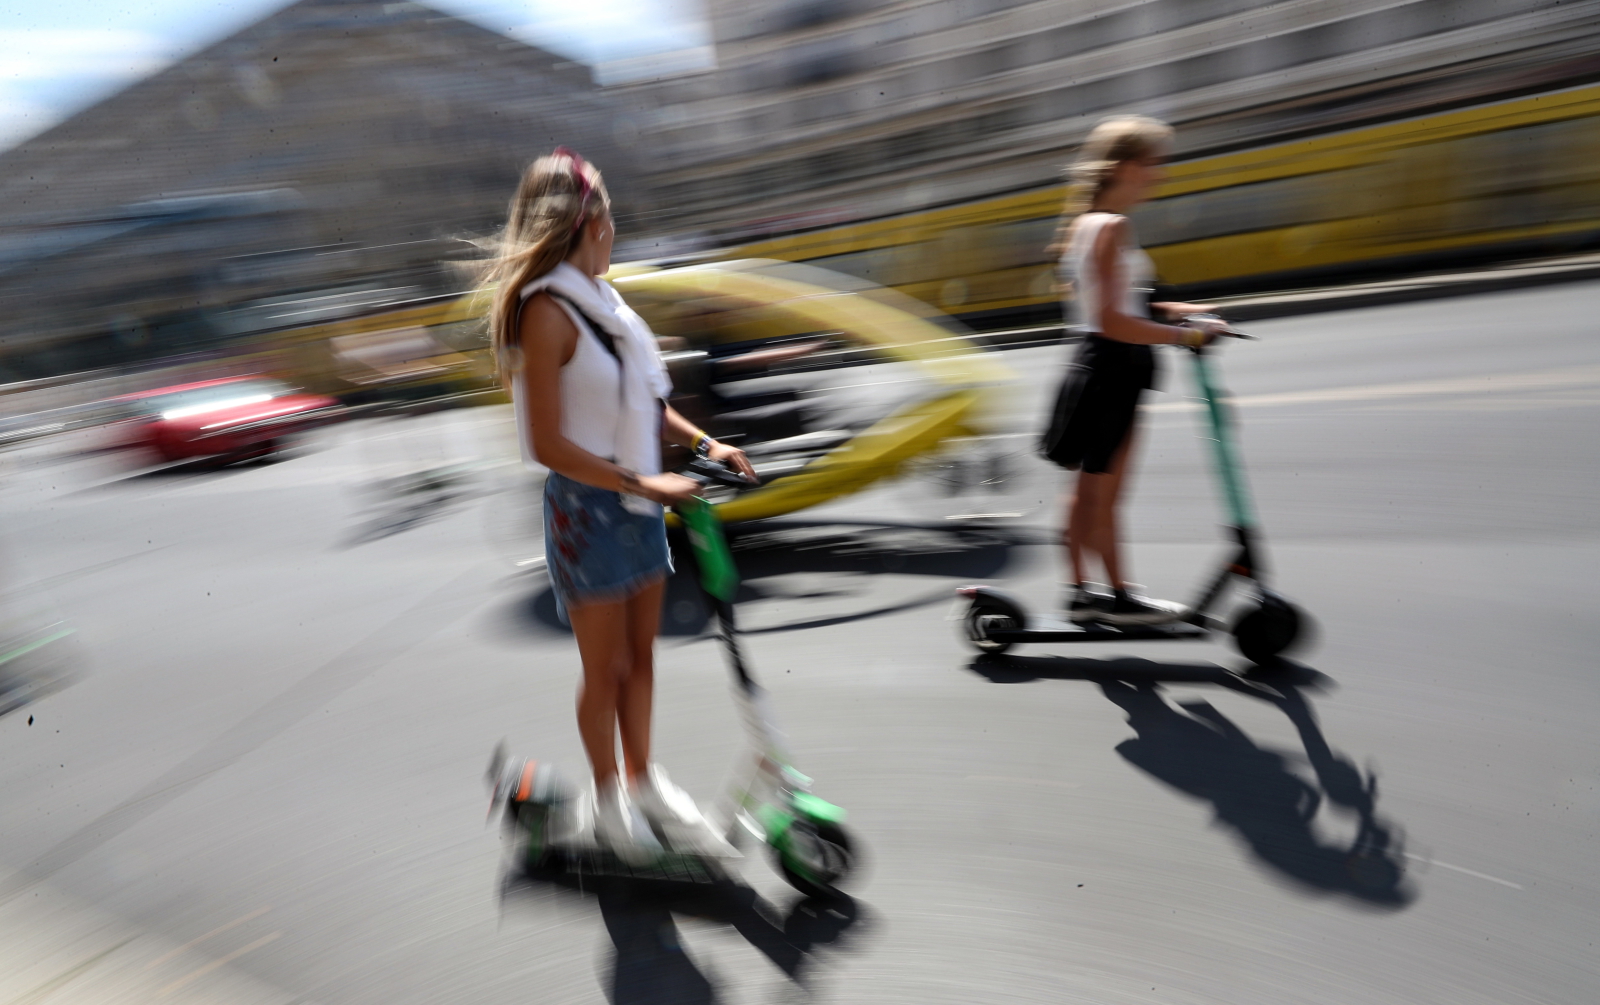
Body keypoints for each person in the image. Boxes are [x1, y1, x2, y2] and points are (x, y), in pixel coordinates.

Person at [484, 148, 756, 858]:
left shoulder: (607, 302)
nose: (616, 226)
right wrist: (649, 485)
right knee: (603, 668)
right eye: (608, 211)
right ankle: (609, 799)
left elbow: (649, 403)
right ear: (587, 219)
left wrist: (707, 447)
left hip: (636, 504)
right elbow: (546, 442)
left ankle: (641, 779)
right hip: (588, 512)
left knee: (642, 656)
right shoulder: (547, 311)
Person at [1041, 116, 1229, 625]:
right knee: (1104, 495)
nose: (1159, 174)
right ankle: (1120, 599)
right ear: (1125, 166)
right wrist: (1185, 335)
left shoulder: (1089, 223)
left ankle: (1081, 592)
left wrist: (1184, 313)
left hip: (1096, 369)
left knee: (1087, 492)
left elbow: (1134, 302)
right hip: (1111, 371)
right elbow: (1110, 320)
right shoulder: (1112, 226)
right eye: (1153, 163)